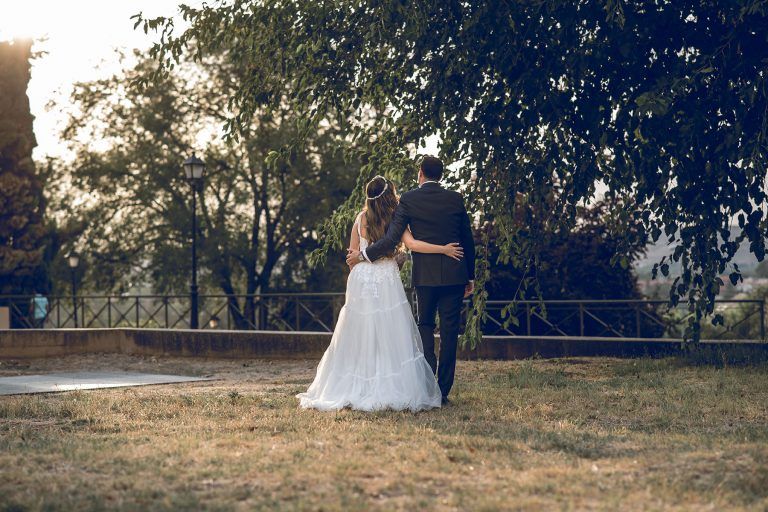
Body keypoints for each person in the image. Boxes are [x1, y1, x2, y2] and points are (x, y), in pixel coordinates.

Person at [297, 175, 465, 411]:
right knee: (390, 331)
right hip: (385, 278)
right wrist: (442, 249)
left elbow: (352, 255)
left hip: (361, 279)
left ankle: (354, 383)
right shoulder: (396, 218)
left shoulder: (359, 218)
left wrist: (360, 263)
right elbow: (413, 245)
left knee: (360, 331)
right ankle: (391, 382)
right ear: (389, 194)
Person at [346, 156, 476, 405]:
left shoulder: (409, 199)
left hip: (425, 277)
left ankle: (429, 387)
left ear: (420, 174)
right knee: (450, 333)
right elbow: (467, 240)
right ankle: (443, 391)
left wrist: (363, 255)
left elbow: (391, 238)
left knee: (425, 326)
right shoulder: (456, 198)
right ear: (441, 175)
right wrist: (470, 275)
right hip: (454, 275)